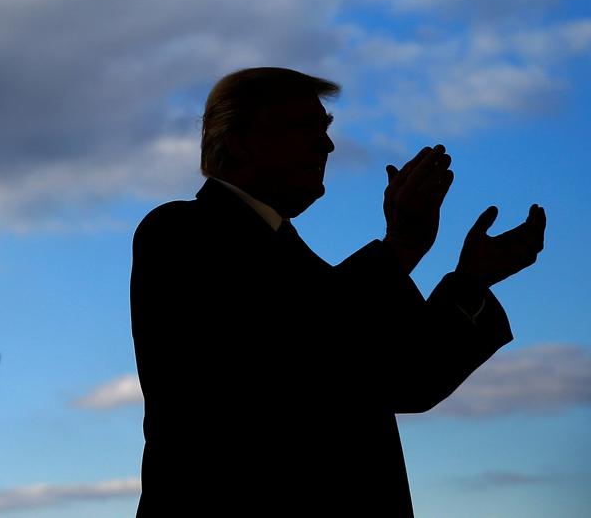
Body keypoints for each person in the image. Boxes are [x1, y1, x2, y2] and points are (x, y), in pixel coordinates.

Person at [129, 67, 546, 516]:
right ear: (238, 141)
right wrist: (401, 246)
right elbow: (297, 348)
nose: (326, 145)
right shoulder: (179, 233)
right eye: (304, 127)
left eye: (324, 129)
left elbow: (407, 380)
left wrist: (471, 280)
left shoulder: (301, 265)